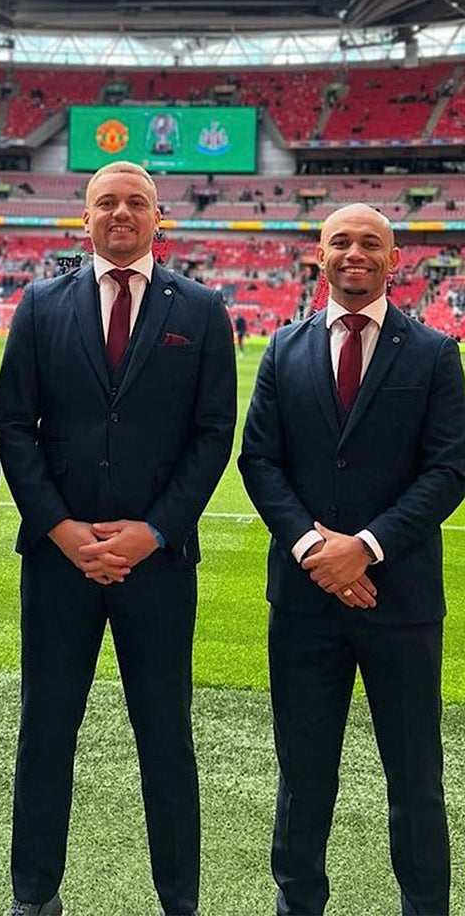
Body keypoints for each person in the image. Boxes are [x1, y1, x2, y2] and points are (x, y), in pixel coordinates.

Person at [0, 160, 237, 916]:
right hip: (59, 563)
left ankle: (180, 899)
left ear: (160, 218)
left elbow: (213, 435)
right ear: (86, 216)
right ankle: (35, 895)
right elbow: (13, 428)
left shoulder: (201, 310)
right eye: (108, 202)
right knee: (45, 732)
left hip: (159, 566)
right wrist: (62, 530)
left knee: (166, 737)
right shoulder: (40, 305)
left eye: (136, 202)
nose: (122, 213)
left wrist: (156, 530)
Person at [239, 203, 465, 916]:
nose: (355, 253)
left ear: (396, 260)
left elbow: (449, 469)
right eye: (341, 241)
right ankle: (297, 905)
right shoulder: (283, 348)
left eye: (371, 243)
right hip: (305, 605)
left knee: (416, 779)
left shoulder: (432, 353)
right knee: (303, 777)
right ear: (319, 255)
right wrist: (315, 550)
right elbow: (259, 461)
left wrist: (364, 548)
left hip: (399, 602)